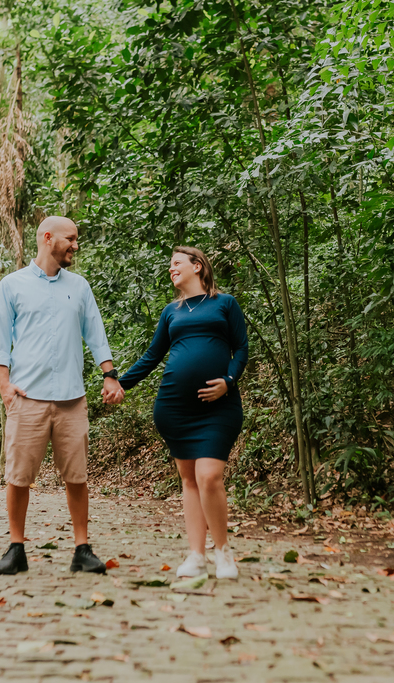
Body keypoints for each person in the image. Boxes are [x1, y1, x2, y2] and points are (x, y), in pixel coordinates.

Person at [0, 216, 125, 576]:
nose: (75, 246)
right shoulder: (12, 285)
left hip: (71, 399)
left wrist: (109, 376)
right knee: (18, 477)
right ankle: (16, 549)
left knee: (76, 477)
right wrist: (5, 386)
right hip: (27, 398)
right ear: (48, 239)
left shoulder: (79, 287)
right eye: (71, 239)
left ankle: (83, 549)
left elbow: (96, 333)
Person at [119, 247, 248, 579]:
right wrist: (120, 385)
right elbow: (151, 357)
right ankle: (196, 555)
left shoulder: (225, 304)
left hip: (219, 406)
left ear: (198, 266)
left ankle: (223, 553)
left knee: (208, 477)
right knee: (189, 480)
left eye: (177, 263)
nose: (171, 269)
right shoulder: (171, 312)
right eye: (170, 265)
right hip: (175, 407)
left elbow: (242, 348)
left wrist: (229, 381)